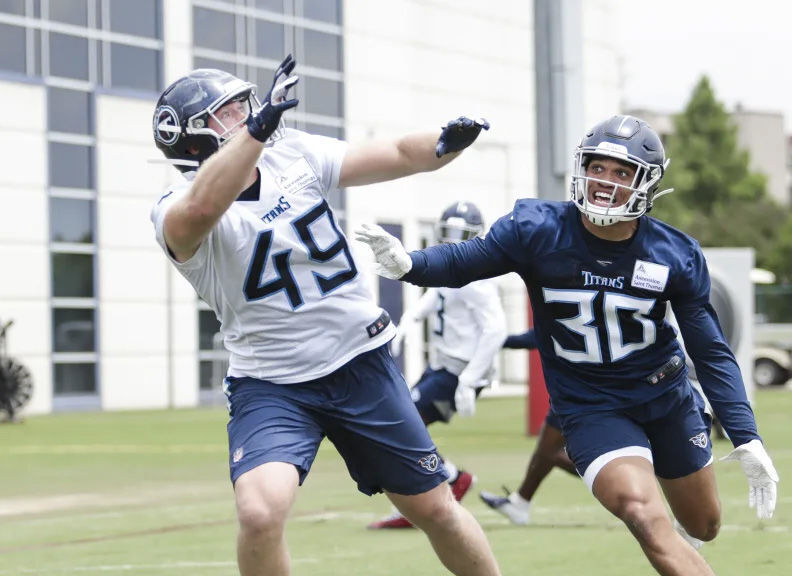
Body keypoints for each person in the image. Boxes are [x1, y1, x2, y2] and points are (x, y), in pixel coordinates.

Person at [355, 114, 779, 576]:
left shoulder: (673, 253)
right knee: (642, 512)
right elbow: (465, 261)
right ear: (581, 168)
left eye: (622, 172)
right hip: (591, 406)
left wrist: (747, 435)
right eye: (598, 167)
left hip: (666, 397)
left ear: (647, 184)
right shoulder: (537, 228)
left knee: (705, 523)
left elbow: (711, 350)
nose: (605, 181)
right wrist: (408, 264)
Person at [150, 55, 500, 576]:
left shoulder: (290, 153)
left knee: (435, 508)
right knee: (259, 511)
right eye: (229, 113)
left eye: (245, 107)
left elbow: (395, 153)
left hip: (359, 362)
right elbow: (202, 211)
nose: (247, 115)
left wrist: (441, 144)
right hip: (273, 383)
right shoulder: (173, 207)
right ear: (194, 140)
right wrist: (258, 129)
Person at [368, 202, 508, 529]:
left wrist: (470, 381)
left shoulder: (479, 280)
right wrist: (409, 321)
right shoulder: (453, 270)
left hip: (458, 370)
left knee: (405, 424)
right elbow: (438, 295)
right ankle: (441, 486)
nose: (454, 242)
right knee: (404, 426)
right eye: (450, 235)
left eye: (463, 236)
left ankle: (448, 482)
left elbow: (496, 330)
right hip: (442, 365)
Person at [479, 330, 578, 525]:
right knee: (546, 451)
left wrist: (493, 340)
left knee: (550, 453)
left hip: (578, 393)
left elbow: (533, 338)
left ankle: (629, 478)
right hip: (570, 392)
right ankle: (520, 502)